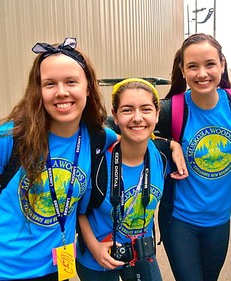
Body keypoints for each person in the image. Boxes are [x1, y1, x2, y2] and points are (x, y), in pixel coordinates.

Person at [0, 37, 118, 281]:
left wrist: (172, 145)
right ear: (38, 90)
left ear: (88, 87)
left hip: (55, 268)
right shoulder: (9, 139)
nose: (61, 92)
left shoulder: (99, 139)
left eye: (71, 82)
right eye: (50, 84)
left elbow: (137, 139)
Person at [154, 33, 231, 281]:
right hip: (180, 221)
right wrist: (168, 144)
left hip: (219, 221)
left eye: (209, 64)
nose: (202, 73)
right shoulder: (170, 109)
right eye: (192, 66)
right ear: (182, 71)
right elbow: (116, 126)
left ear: (222, 65)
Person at [75, 78, 188, 281]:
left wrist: (174, 144)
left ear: (156, 114)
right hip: (98, 257)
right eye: (127, 110)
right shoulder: (97, 160)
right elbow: (78, 211)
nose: (137, 118)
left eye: (145, 109)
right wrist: (95, 248)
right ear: (115, 116)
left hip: (142, 254)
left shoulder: (162, 155)